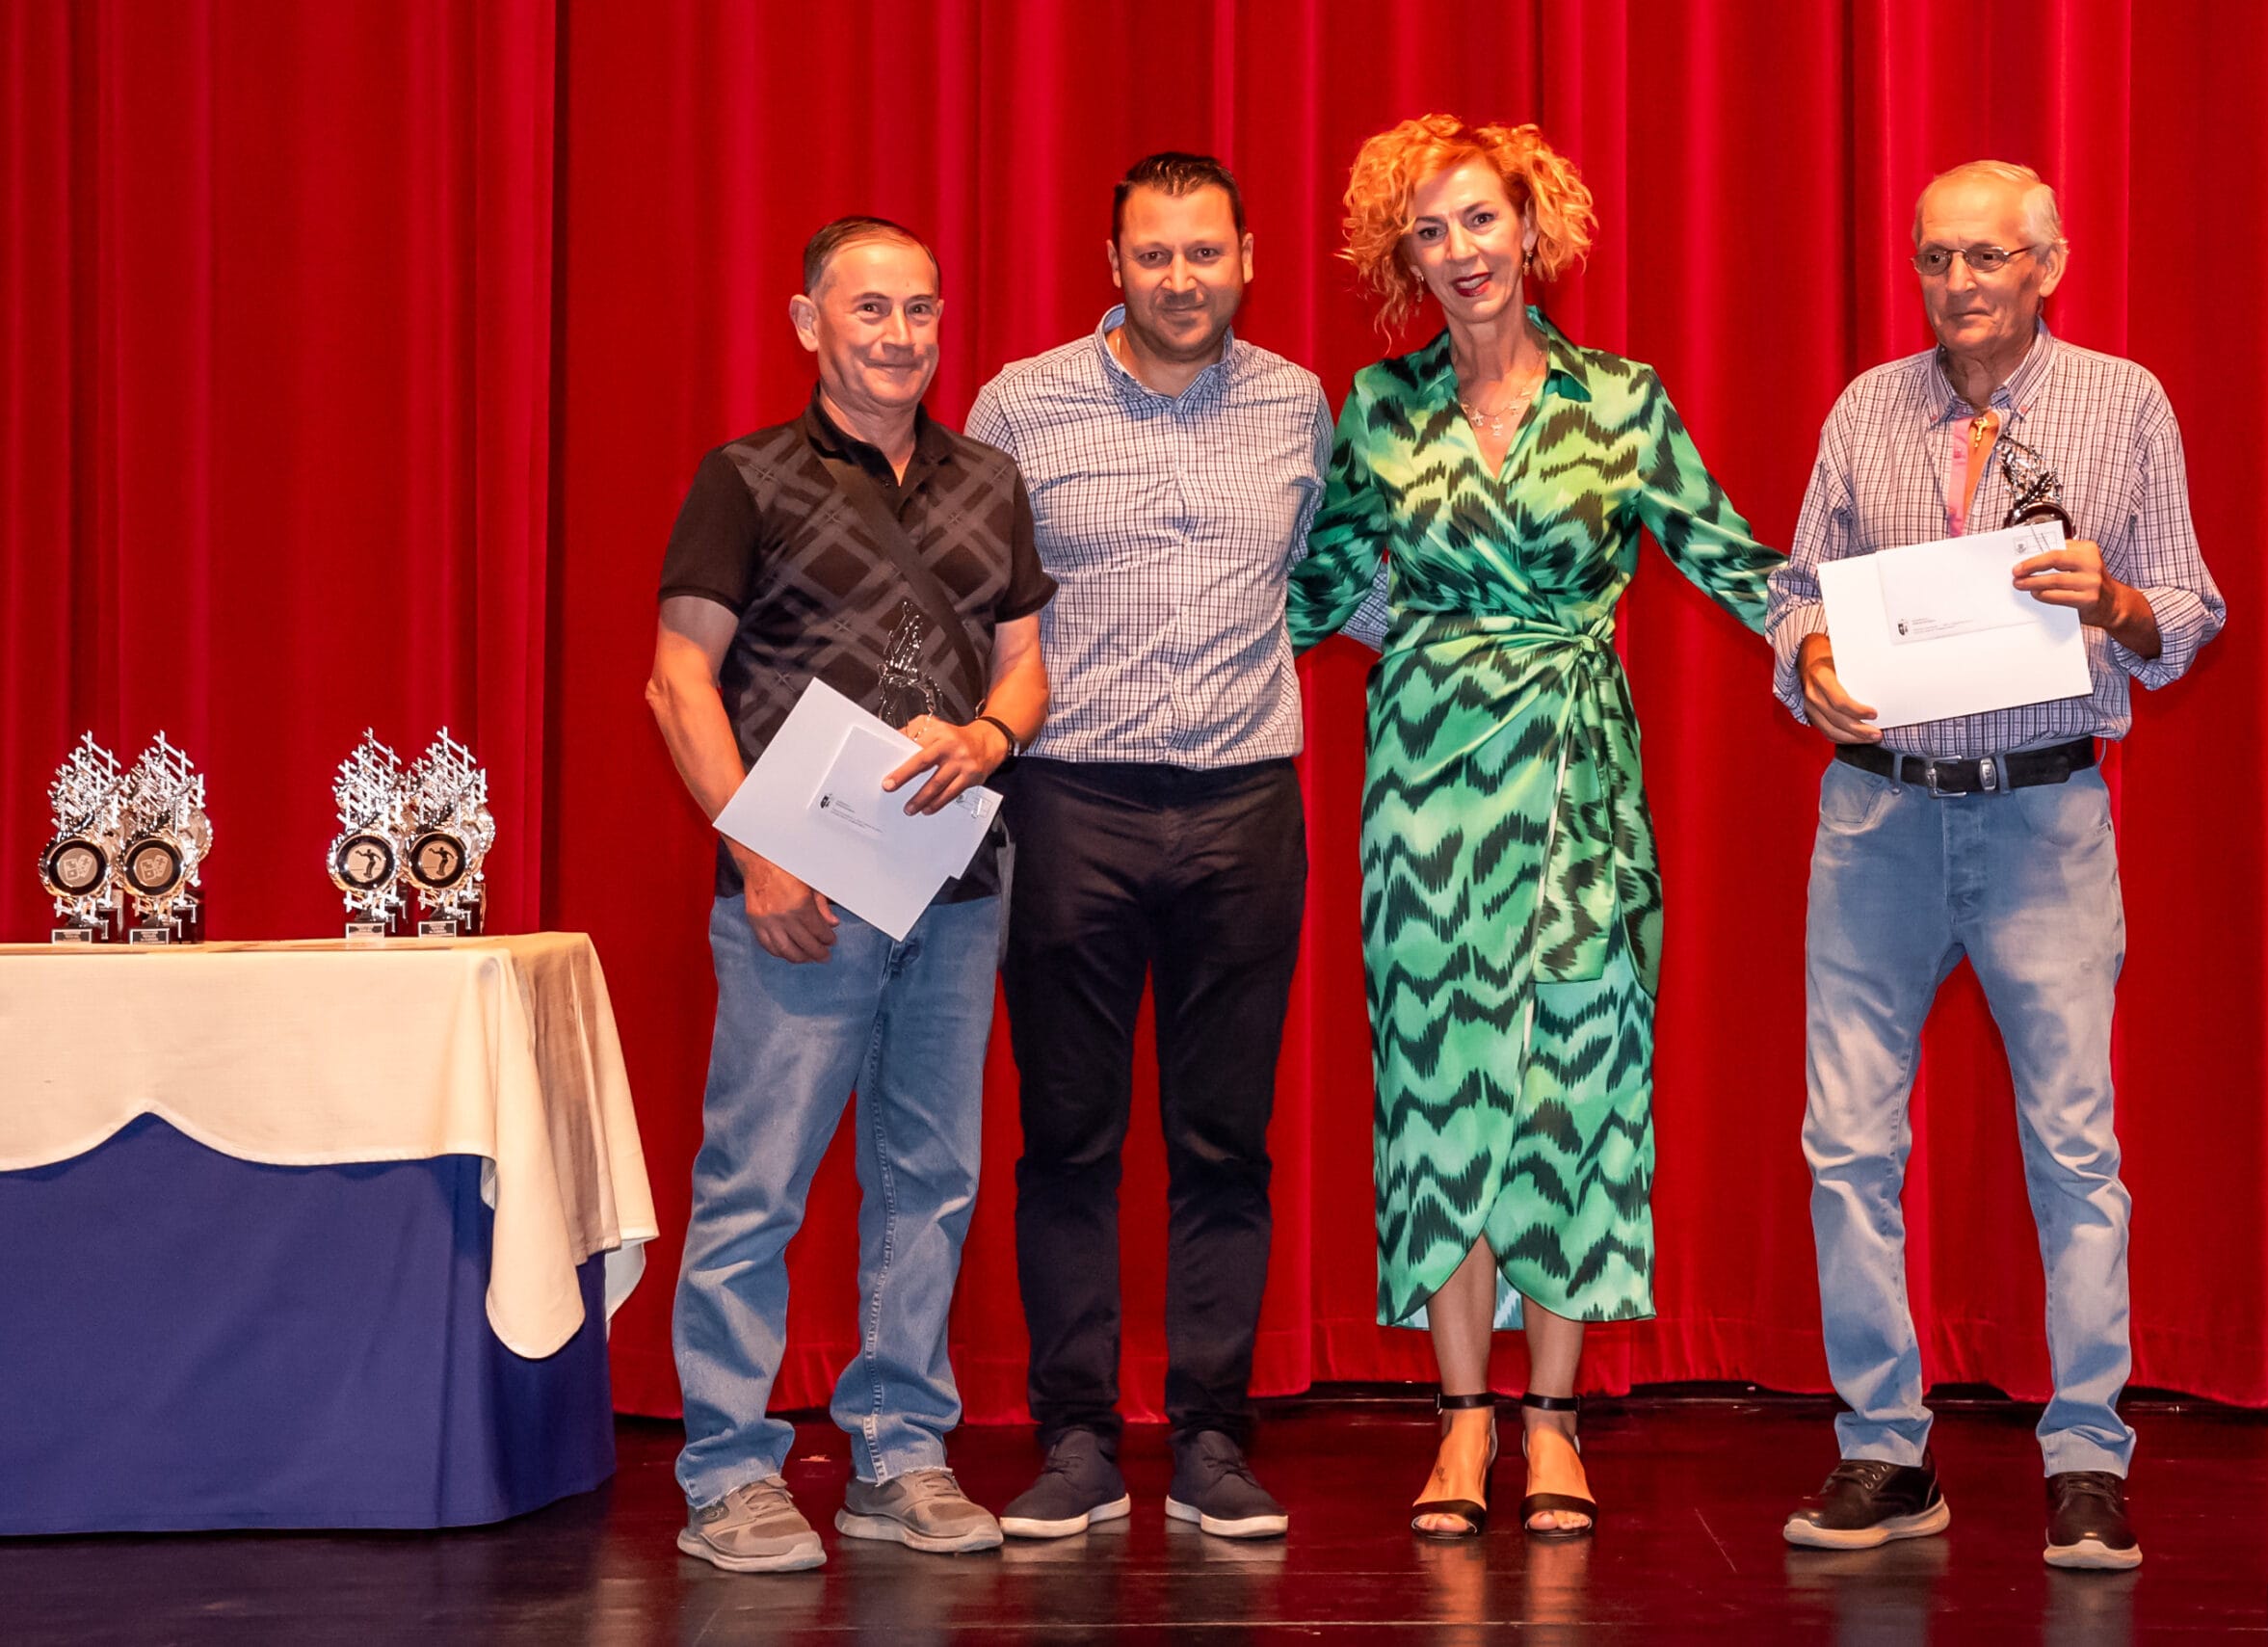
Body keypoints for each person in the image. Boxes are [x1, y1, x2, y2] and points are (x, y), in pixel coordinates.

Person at [1288, 115, 1781, 1539]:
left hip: (1579, 781)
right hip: (1426, 786)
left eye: (1480, 221)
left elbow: (1733, 558)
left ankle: (1554, 1423)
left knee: (1577, 1079)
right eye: (1429, 232)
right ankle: (1460, 1421)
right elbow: (1313, 588)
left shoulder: (1621, 400)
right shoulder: (1378, 408)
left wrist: (1844, 643)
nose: (1460, 253)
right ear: (1405, 257)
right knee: (1437, 1088)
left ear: (1531, 227)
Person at [1766, 161, 2225, 1571]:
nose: (1958, 283)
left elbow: (2191, 610)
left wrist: (2119, 600)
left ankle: (2087, 1455)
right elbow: (1793, 594)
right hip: (1878, 817)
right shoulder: (1866, 409)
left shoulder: (2124, 403)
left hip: (2044, 818)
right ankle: (1884, 1449)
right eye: (1936, 259)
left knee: (2076, 1148)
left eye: (1986, 256)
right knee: (1848, 1146)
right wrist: (1811, 659)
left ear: (2047, 265)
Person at [965, 152, 1364, 1543]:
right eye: (1154, 255)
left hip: (1245, 807)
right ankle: (1075, 1437)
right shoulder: (1022, 402)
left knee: (1224, 1140)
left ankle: (1212, 1439)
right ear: (1114, 264)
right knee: (1068, 1137)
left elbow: (1341, 585)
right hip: (1065, 804)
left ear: (1247, 258)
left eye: (1205, 252)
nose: (1181, 279)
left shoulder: (1299, 404)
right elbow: (966, 598)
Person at [646, 215, 1055, 1573]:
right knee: (756, 1182)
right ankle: (726, 1472)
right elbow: (677, 678)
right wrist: (758, 854)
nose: (899, 335)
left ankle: (898, 1453)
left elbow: (1026, 667)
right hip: (798, 893)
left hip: (955, 886)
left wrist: (989, 737)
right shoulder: (746, 478)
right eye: (869, 308)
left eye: (921, 309)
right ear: (807, 321)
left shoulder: (990, 478)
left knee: (929, 1181)